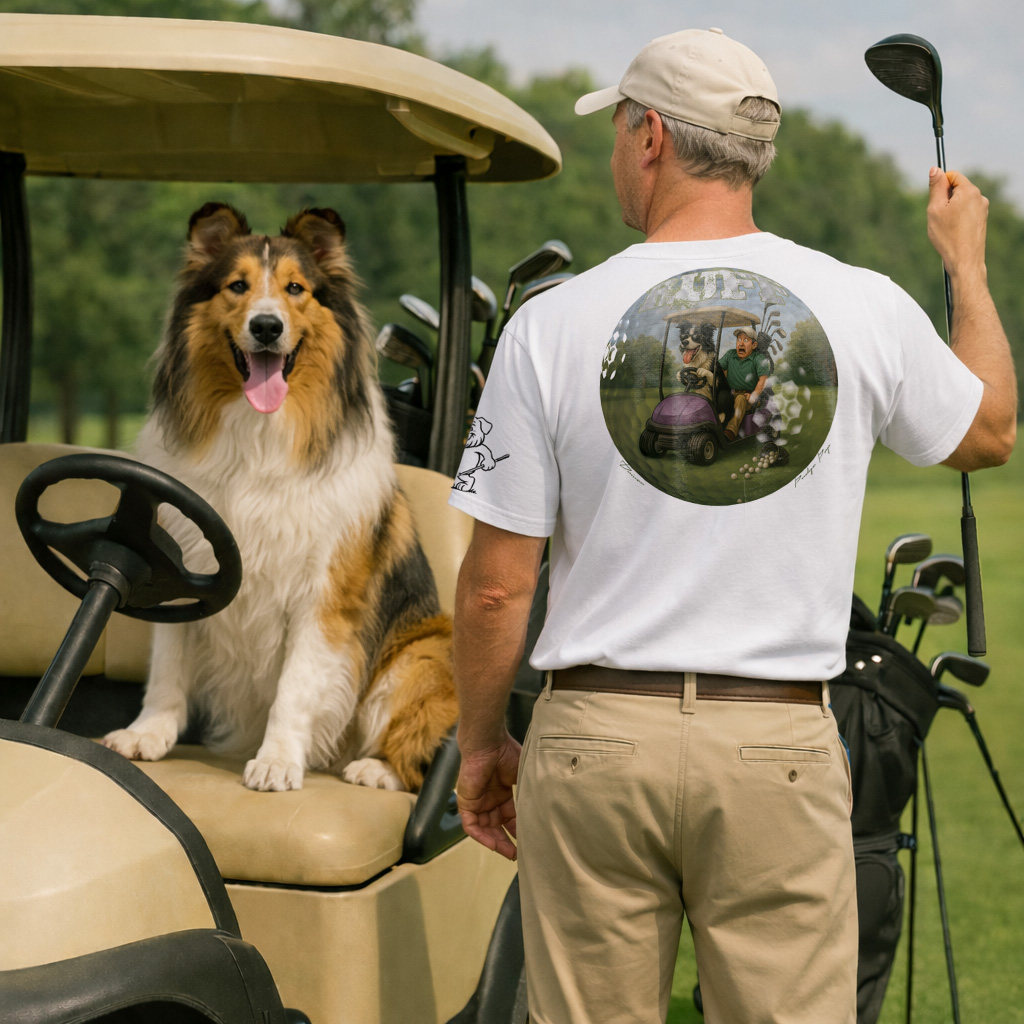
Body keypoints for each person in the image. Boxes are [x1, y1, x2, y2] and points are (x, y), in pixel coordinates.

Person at [448, 26, 1016, 1024]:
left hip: (592, 745)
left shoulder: (550, 325)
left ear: (652, 135)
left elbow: (497, 583)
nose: (618, 150)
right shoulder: (862, 304)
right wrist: (964, 266)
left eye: (620, 128)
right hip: (777, 746)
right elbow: (989, 430)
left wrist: (485, 740)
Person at [719, 324, 771, 437]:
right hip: (730, 394)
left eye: (746, 340)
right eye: (739, 339)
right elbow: (718, 369)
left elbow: (763, 379)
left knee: (740, 399)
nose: (741, 343)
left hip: (748, 397)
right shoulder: (730, 354)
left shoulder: (758, 358)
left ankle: (731, 431)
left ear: (754, 345)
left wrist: (754, 395)